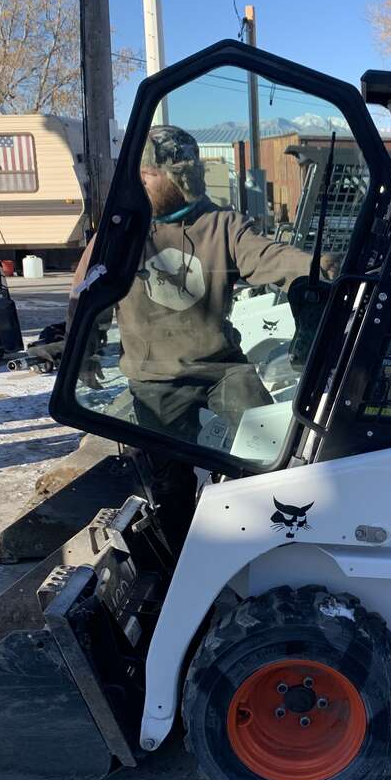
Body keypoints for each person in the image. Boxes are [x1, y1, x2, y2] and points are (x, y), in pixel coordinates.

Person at [72, 123, 336, 547]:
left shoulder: (222, 225)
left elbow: (268, 257)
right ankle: (182, 558)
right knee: (169, 486)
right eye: (139, 174)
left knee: (270, 448)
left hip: (221, 367)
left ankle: (270, 536)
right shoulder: (122, 233)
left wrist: (316, 265)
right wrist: (81, 348)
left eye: (151, 175)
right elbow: (87, 292)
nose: (142, 182)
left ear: (182, 177)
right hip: (155, 376)